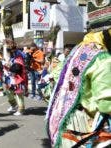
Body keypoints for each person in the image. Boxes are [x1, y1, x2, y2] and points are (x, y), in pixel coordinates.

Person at [46, 1, 111, 147]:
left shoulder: (79, 51)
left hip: (67, 132)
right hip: (89, 137)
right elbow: (107, 104)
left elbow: (57, 76)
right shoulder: (104, 60)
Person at [3, 39, 28, 116]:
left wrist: (9, 66)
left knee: (19, 93)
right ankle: (14, 105)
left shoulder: (18, 55)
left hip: (18, 77)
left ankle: (21, 109)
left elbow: (17, 67)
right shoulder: (12, 55)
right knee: (8, 91)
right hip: (11, 77)